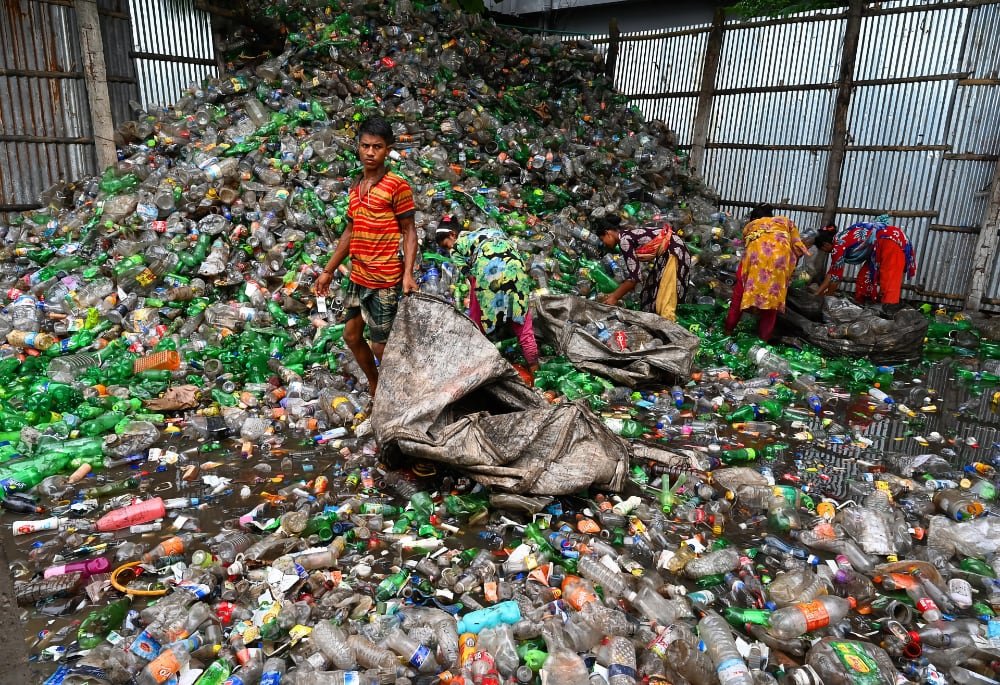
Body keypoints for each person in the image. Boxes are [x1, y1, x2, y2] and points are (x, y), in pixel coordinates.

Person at [314, 116, 418, 397]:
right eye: (365, 146)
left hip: (384, 278)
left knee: (381, 346)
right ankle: (376, 384)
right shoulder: (355, 187)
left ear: (388, 150)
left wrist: (407, 274)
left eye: (378, 147)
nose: (370, 152)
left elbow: (409, 232)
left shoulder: (397, 185)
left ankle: (404, 394)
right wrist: (328, 270)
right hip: (358, 277)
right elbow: (350, 230)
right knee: (350, 336)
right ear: (358, 148)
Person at [435, 217, 540, 373]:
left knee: (479, 323)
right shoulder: (487, 231)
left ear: (452, 234)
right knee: (522, 323)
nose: (447, 250)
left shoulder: (457, 246)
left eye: (445, 246)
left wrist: (476, 318)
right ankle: (536, 372)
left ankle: (479, 365)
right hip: (515, 267)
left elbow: (473, 280)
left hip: (488, 269)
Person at [724, 204, 808, 341]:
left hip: (755, 265)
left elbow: (746, 243)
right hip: (778, 266)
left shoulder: (752, 226)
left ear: (754, 218)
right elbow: (798, 249)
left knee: (738, 299)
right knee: (771, 305)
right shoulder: (785, 222)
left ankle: (728, 331)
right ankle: (763, 340)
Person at [593, 214, 691, 321]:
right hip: (669, 251)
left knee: (664, 300)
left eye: (603, 240)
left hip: (673, 251)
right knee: (650, 291)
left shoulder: (624, 241)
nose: (604, 244)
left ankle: (669, 331)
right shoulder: (626, 235)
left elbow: (634, 278)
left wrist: (614, 297)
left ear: (608, 233)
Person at [814, 217, 916, 313]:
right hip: (878, 246)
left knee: (890, 278)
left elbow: (835, 278)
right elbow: (832, 272)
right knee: (864, 278)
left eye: (822, 249)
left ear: (825, 245)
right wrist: (817, 294)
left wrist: (828, 300)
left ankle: (889, 311)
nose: (824, 252)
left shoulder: (838, 245)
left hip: (890, 240)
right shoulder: (839, 239)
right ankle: (864, 305)